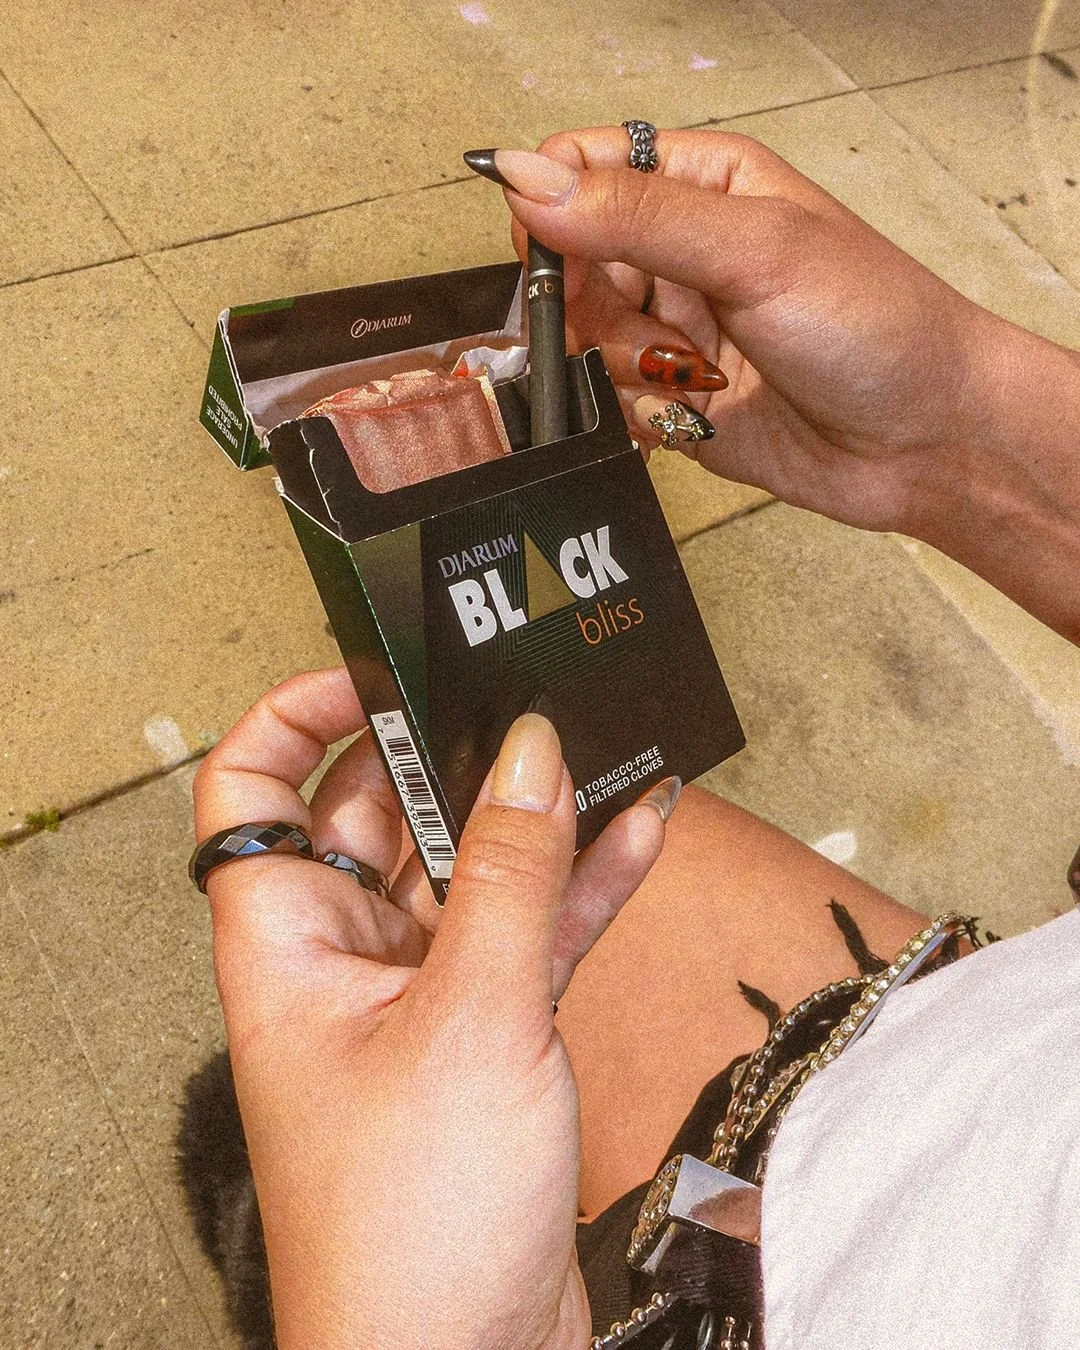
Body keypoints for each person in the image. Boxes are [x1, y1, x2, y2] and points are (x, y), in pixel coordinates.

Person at [190, 125, 1080, 1348]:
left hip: (771, 1301)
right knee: (493, 844)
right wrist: (964, 434)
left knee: (428, 894)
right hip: (917, 1073)